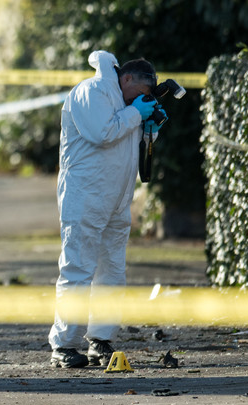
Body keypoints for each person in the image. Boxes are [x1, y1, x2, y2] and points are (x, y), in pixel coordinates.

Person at [48, 50, 166, 368]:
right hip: (84, 196)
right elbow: (102, 134)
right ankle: (63, 345)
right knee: (78, 269)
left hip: (116, 199)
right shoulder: (91, 92)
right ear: (126, 78)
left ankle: (100, 339)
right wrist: (136, 115)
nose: (142, 100)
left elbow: (129, 146)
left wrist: (150, 127)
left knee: (112, 271)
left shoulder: (128, 105)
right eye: (142, 93)